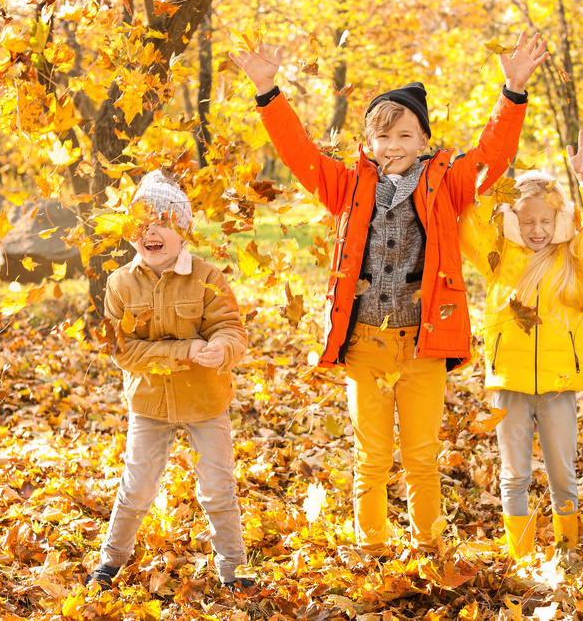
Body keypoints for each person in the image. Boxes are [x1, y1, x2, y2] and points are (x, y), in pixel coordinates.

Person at [230, 31, 548, 557]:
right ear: (368, 144)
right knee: (372, 459)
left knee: (421, 458)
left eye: (404, 135)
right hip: (366, 346)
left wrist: (512, 91)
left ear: (423, 139)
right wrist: (268, 90)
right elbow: (298, 152)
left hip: (422, 345)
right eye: (382, 137)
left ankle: (430, 550)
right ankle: (372, 552)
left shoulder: (447, 182)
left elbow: (494, 154)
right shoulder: (348, 185)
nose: (393, 147)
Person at [87, 170, 253, 590]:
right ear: (131, 233)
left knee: (218, 488)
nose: (152, 231)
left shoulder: (208, 277)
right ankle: (111, 560)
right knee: (136, 487)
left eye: (163, 221)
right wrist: (185, 350)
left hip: (205, 400)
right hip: (149, 404)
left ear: (183, 231)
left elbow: (231, 327)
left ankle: (234, 570)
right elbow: (123, 350)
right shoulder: (119, 283)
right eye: (142, 224)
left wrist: (222, 347)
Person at [459, 131, 583, 558]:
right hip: (507, 381)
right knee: (514, 476)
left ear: (560, 221)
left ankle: (567, 552)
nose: (537, 230)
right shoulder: (497, 257)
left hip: (558, 383)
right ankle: (522, 558)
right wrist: (487, 183)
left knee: (563, 473)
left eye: (546, 221)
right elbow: (468, 227)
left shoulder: (573, 257)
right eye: (527, 221)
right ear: (512, 221)